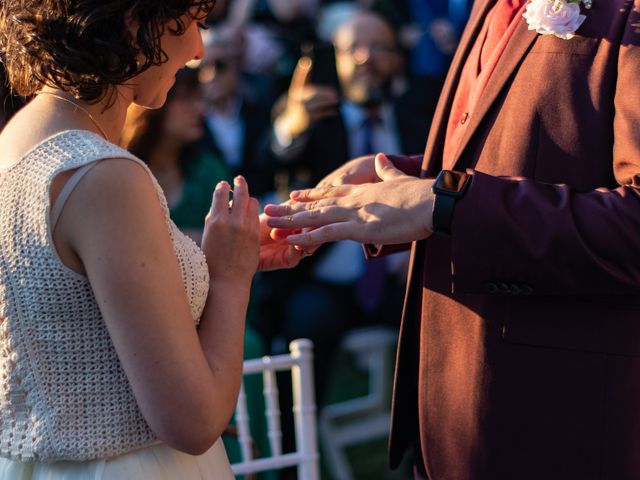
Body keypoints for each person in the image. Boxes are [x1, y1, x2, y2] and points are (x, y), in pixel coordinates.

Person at [265, 0, 640, 478]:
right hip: (450, 408)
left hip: (557, 416)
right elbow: (507, 156)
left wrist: (445, 205)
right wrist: (404, 181)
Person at [0, 1, 308, 478]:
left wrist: (215, 258)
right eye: (189, 23)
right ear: (133, 18)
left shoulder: (17, 140)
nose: (199, 49)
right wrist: (230, 278)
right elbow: (194, 420)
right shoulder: (102, 175)